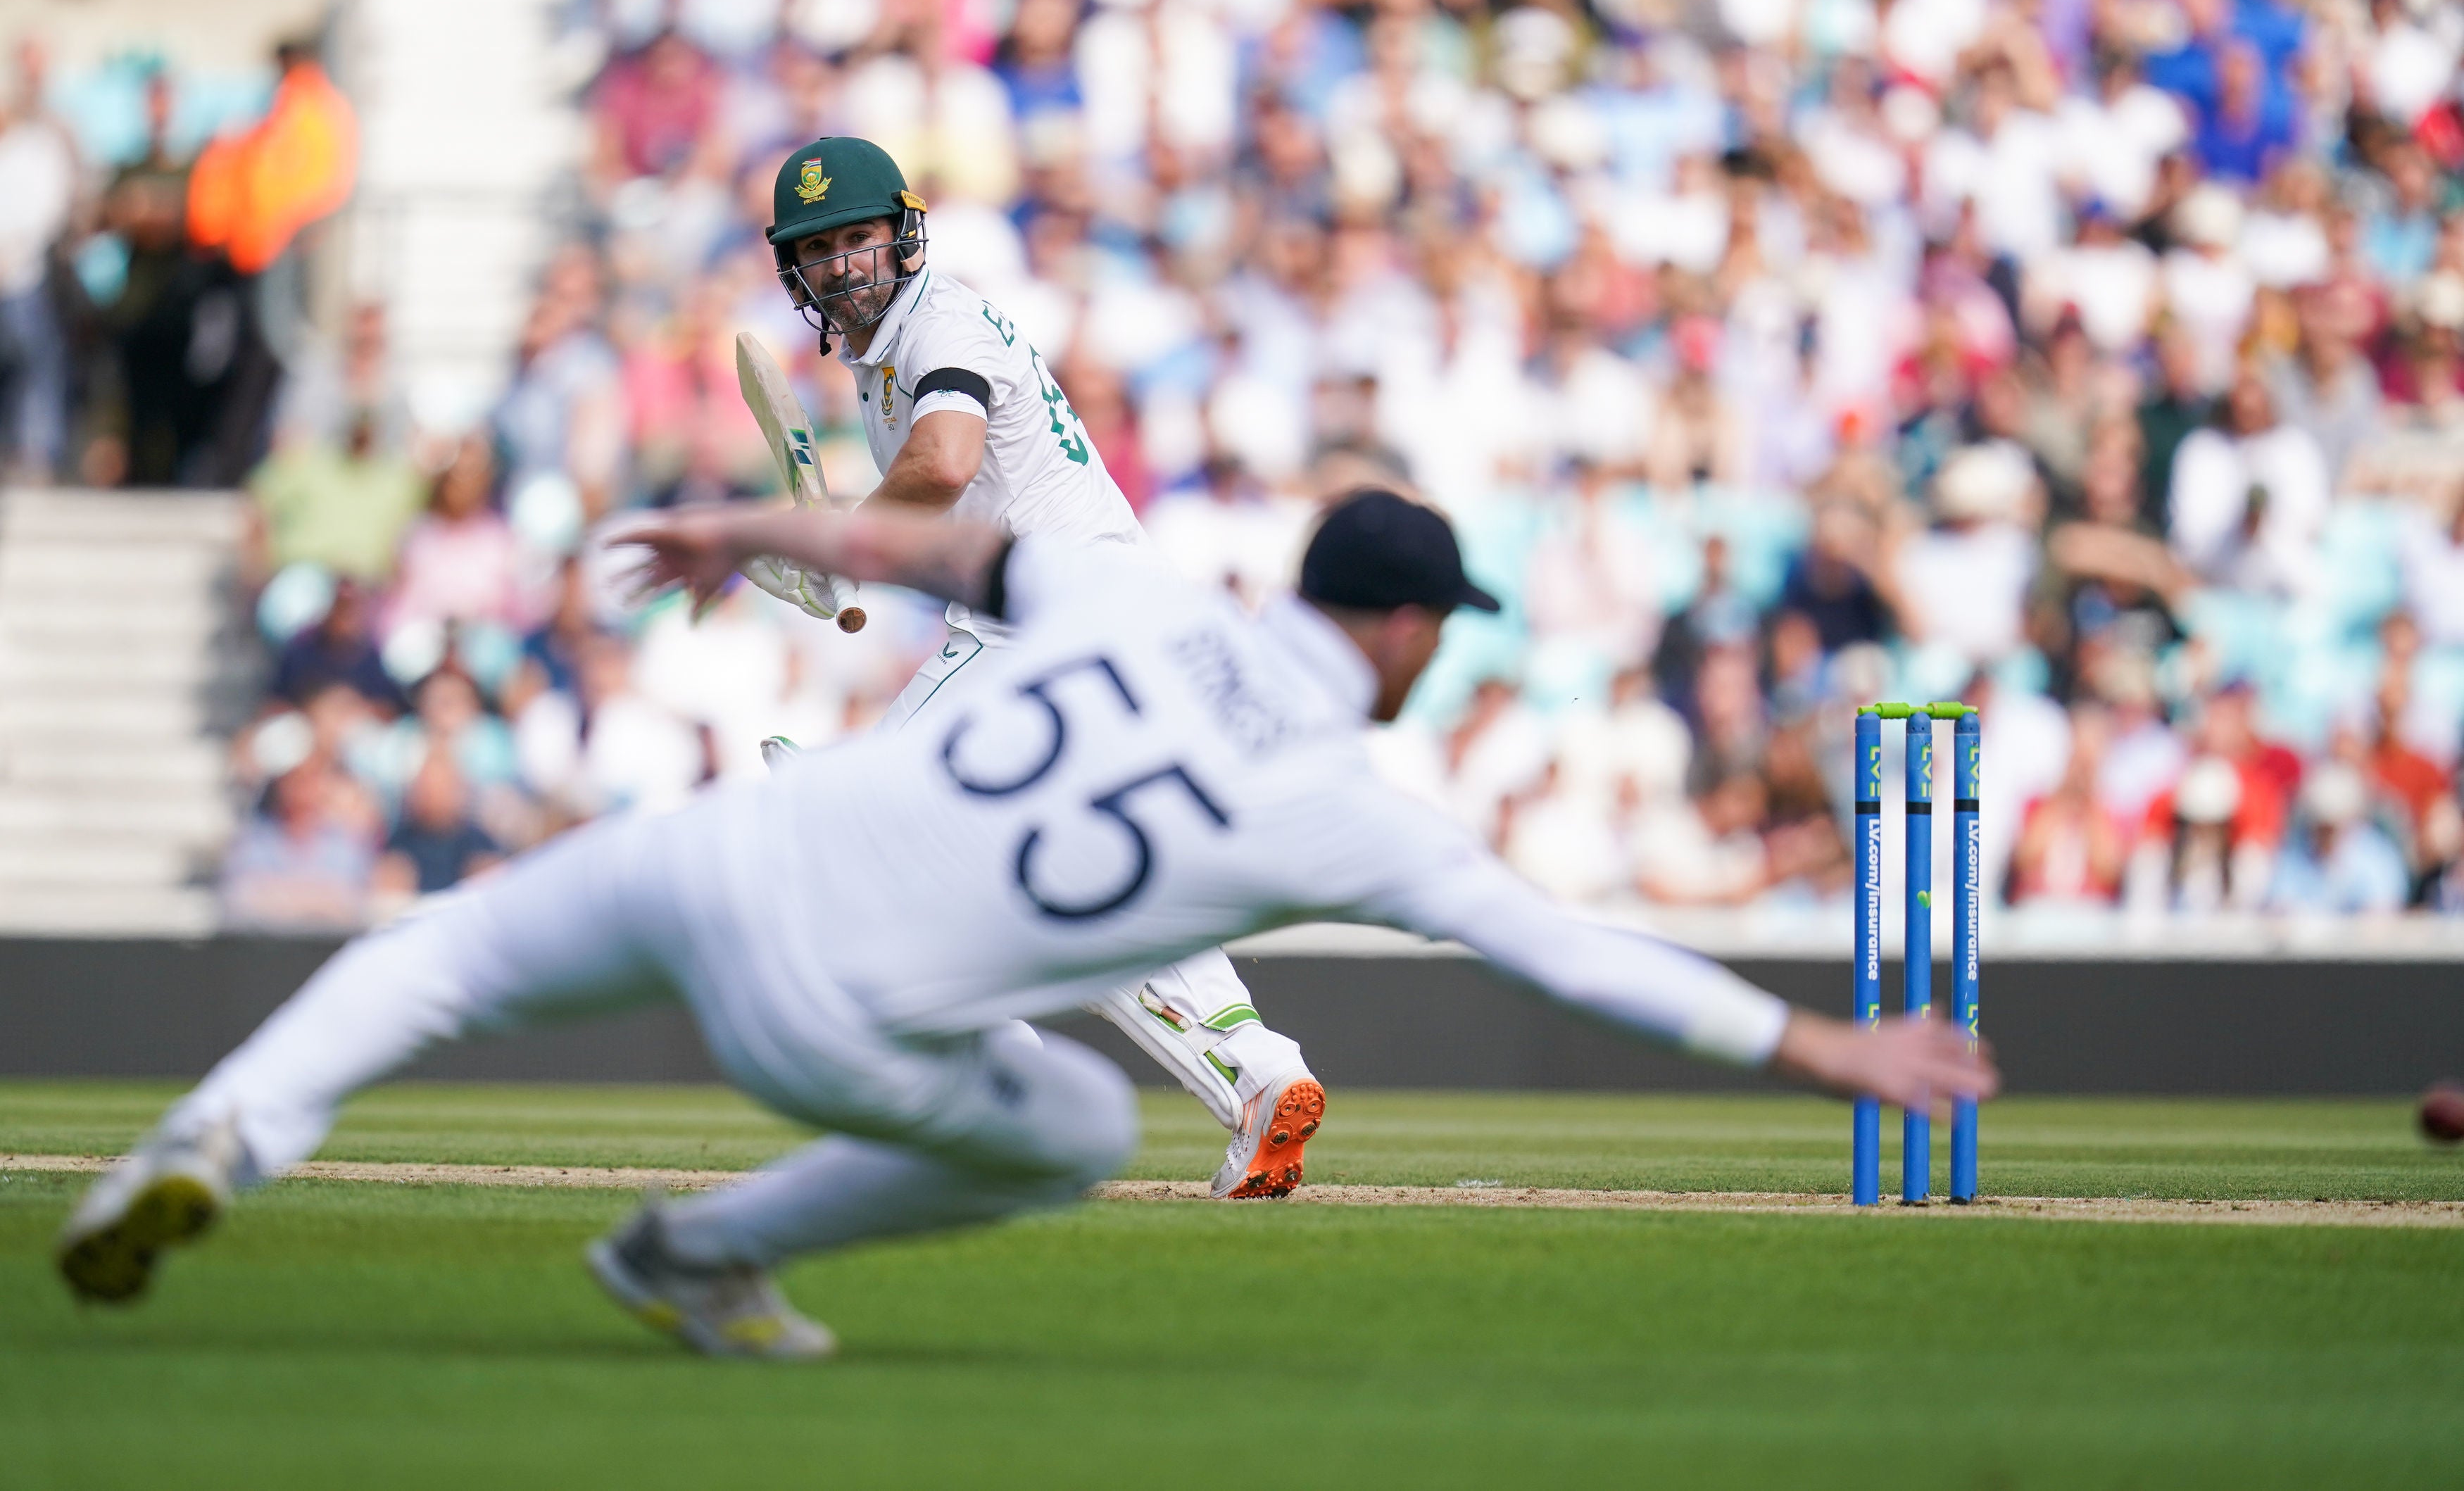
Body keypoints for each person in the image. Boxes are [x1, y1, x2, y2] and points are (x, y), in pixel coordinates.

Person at [59, 492, 1997, 1359]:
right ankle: (692, 1255)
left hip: (733, 846)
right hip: (834, 1013)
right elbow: (1568, 951)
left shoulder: (1133, 593)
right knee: (1078, 1123)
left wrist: (741, 529)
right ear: (1402, 628)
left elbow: (912, 544)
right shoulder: (1338, 802)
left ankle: (213, 1138)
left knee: (435, 958)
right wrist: (1823, 1046)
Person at [746, 134, 1324, 1198]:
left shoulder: (945, 321)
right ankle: (1259, 1074)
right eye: (816, 249)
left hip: (1054, 627)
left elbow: (947, 460)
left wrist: (838, 553)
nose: (840, 266)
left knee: (845, 828)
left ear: (906, 233)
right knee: (1093, 882)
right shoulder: (884, 360)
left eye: (858, 239)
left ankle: (1014, 1094)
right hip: (1118, 626)